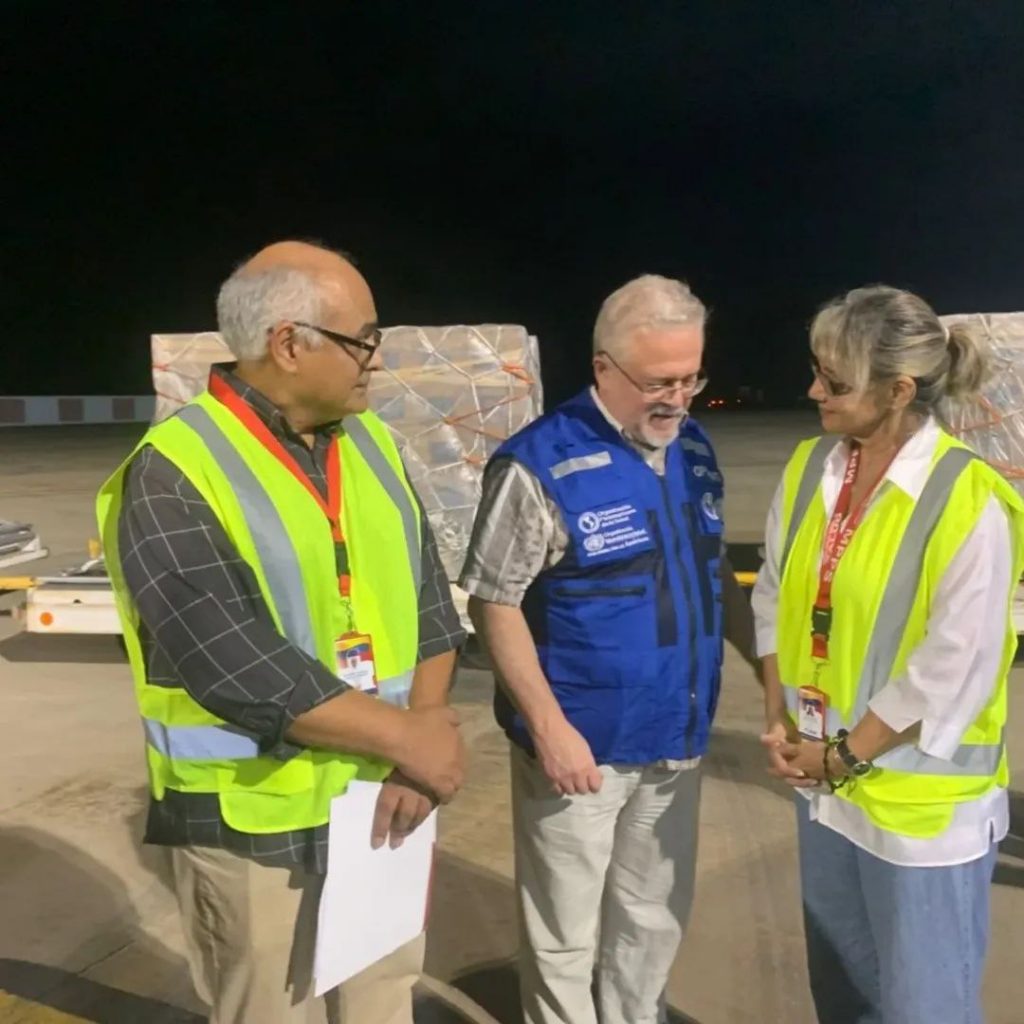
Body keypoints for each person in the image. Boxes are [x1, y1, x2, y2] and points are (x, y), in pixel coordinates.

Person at [97, 241, 467, 1024]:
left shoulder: (373, 445)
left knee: (381, 1005)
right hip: (252, 821)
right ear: (289, 344)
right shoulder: (173, 469)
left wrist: (426, 734)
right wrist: (409, 739)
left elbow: (431, 601)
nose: (375, 357)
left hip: (382, 800)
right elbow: (228, 660)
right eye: (362, 338)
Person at [460, 274, 756, 1024]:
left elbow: (713, 569)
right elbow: (494, 601)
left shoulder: (692, 448)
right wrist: (550, 728)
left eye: (691, 378)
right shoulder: (538, 464)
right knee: (564, 932)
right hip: (580, 750)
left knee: (653, 914)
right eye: (659, 382)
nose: (678, 399)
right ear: (604, 368)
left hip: (676, 735)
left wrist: (768, 668)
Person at [752, 285, 1024, 1024]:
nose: (815, 392)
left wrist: (842, 755)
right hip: (827, 793)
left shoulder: (968, 499)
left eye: (835, 382)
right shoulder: (810, 469)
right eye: (817, 373)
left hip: (919, 813)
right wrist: (780, 717)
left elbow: (951, 667)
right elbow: (773, 594)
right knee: (843, 996)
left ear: (899, 391)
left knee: (923, 1008)